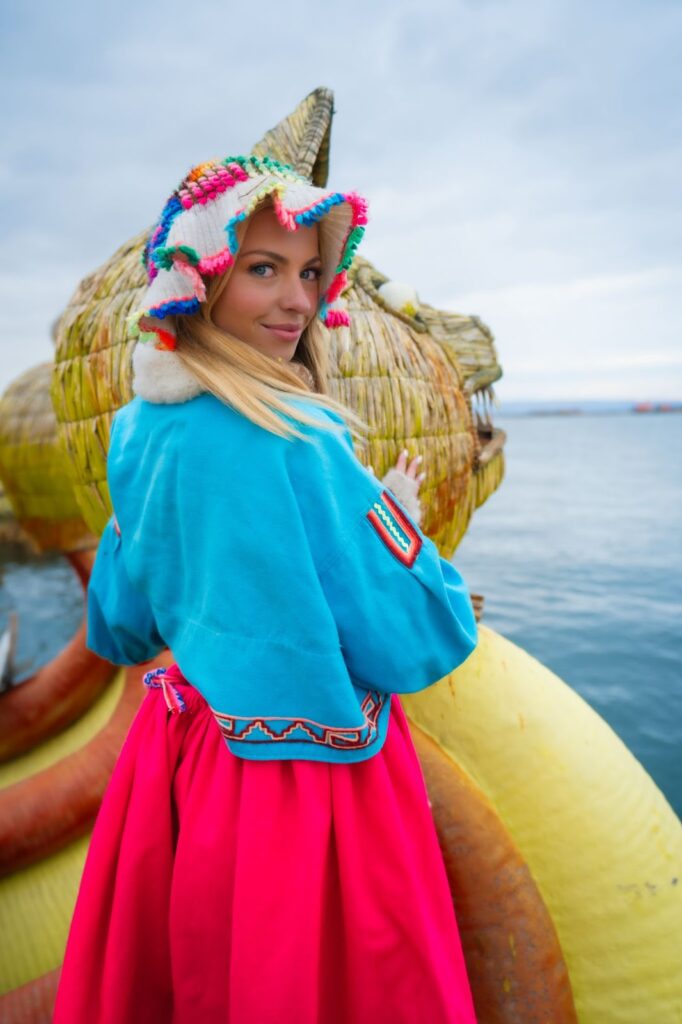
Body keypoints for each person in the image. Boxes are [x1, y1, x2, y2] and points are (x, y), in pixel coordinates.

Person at [53, 154, 479, 1023]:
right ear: (201, 281)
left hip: (182, 772)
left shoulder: (138, 433)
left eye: (311, 272)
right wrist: (395, 520)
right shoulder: (301, 439)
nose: (298, 300)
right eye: (262, 268)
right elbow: (419, 638)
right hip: (308, 795)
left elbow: (123, 625)